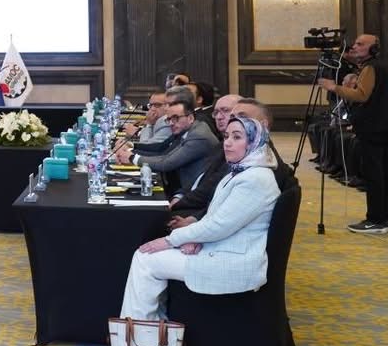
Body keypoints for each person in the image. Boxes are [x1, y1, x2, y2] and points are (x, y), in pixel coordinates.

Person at [120, 115, 282, 321]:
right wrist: (194, 238)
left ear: (254, 142)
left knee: (145, 259)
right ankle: (149, 331)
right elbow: (218, 218)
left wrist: (170, 240)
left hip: (231, 260)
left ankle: (136, 335)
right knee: (147, 257)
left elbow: (218, 226)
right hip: (220, 246)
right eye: (226, 136)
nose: (228, 143)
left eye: (237, 137)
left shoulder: (255, 179)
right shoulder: (242, 171)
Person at [168, 96, 300, 225]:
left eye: (242, 116)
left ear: (262, 124)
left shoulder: (262, 165)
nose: (234, 121)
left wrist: (193, 219)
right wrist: (180, 197)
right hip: (206, 213)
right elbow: (204, 178)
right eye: (232, 117)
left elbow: (226, 214)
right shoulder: (227, 146)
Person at [318, 33, 388, 233]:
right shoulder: (382, 67)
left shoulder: (371, 67)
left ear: (373, 48)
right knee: (383, 173)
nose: (354, 46)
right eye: (355, 43)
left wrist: (333, 87)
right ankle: (384, 218)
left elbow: (361, 95)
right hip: (383, 127)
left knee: (373, 174)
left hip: (372, 128)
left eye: (360, 44)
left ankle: (375, 220)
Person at [117, 87, 219, 193]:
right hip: (179, 187)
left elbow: (166, 163)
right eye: (169, 119)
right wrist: (130, 149)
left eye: (175, 118)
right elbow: (161, 149)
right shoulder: (185, 128)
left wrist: (132, 157)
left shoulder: (198, 136)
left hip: (190, 193)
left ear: (190, 118)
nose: (171, 123)